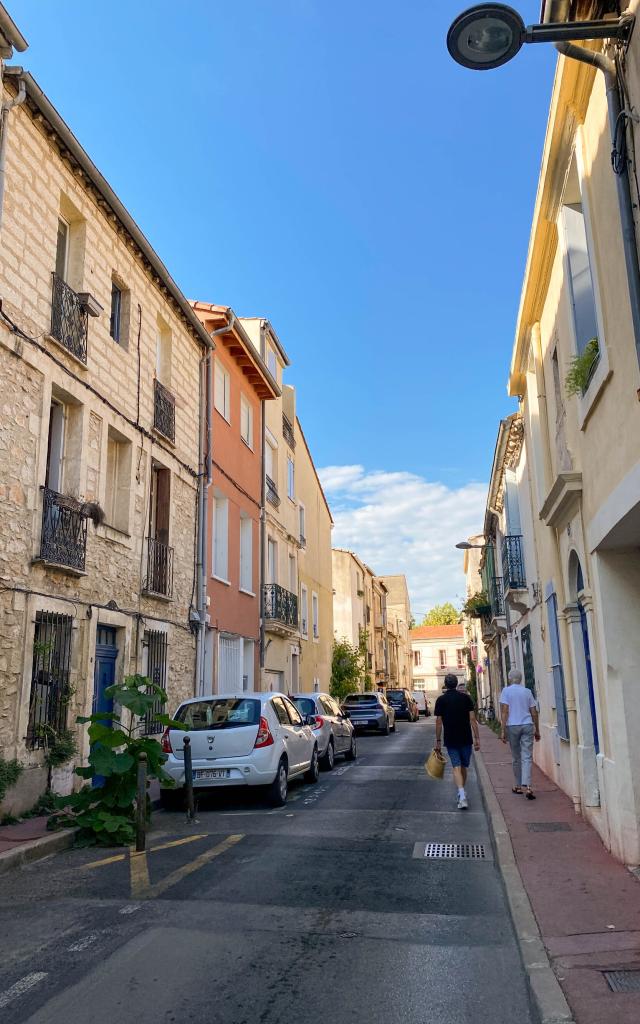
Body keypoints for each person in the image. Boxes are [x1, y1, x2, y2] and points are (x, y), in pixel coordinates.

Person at [434, 673, 480, 810]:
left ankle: (462, 794)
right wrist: (477, 738)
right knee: (463, 767)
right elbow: (472, 719)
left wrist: (437, 740)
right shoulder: (466, 698)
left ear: (446, 685)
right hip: (466, 737)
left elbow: (438, 722)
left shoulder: (441, 700)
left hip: (451, 737)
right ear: (456, 683)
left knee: (456, 767)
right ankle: (462, 793)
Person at [500, 668, 540, 800]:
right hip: (527, 725)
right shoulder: (527, 691)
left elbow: (505, 711)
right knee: (527, 756)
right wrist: (537, 729)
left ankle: (518, 785)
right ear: (521, 679)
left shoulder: (506, 691)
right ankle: (528, 787)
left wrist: (503, 729)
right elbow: (534, 712)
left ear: (510, 678)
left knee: (516, 757)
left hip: (513, 726)